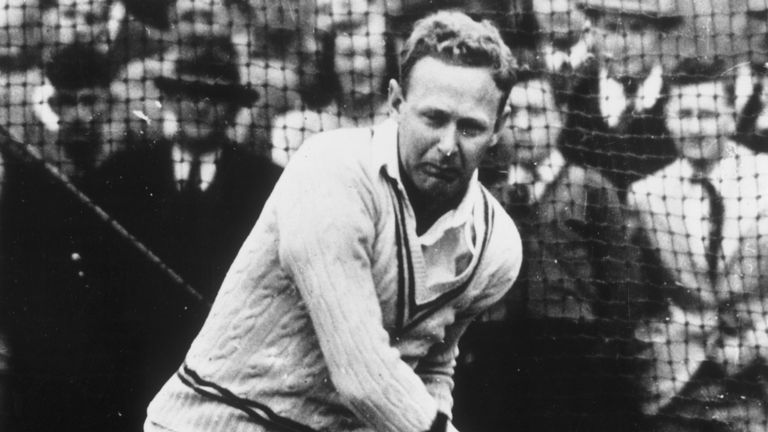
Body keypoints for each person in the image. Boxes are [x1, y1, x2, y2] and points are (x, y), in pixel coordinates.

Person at [144, 11, 521, 432]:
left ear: (498, 128)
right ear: (396, 103)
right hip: (216, 421)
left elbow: (430, 369)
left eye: (470, 127)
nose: (448, 145)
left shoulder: (496, 245)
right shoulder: (329, 170)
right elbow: (362, 377)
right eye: (433, 118)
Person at [88, 33, 283, 430]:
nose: (198, 107)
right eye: (188, 94)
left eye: (213, 98)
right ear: (172, 100)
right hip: (134, 375)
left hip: (224, 382)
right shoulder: (122, 175)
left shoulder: (266, 185)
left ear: (231, 110)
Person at [455, 67, 639, 432]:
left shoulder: (591, 188)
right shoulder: (482, 195)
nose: (523, 125)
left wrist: (602, 360)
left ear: (560, 117)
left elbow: (622, 289)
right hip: (500, 360)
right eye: (514, 114)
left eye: (537, 112)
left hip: (573, 361)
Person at [627, 58, 768, 431]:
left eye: (706, 114)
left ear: (731, 116)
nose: (694, 127)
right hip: (679, 381)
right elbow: (632, 289)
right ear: (667, 118)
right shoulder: (647, 195)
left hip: (760, 377)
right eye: (683, 113)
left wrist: (756, 341)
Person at [270, 0, 392, 166]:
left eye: (370, 54)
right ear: (330, 62)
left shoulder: (401, 125)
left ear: (387, 61)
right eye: (348, 55)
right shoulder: (296, 128)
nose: (359, 66)